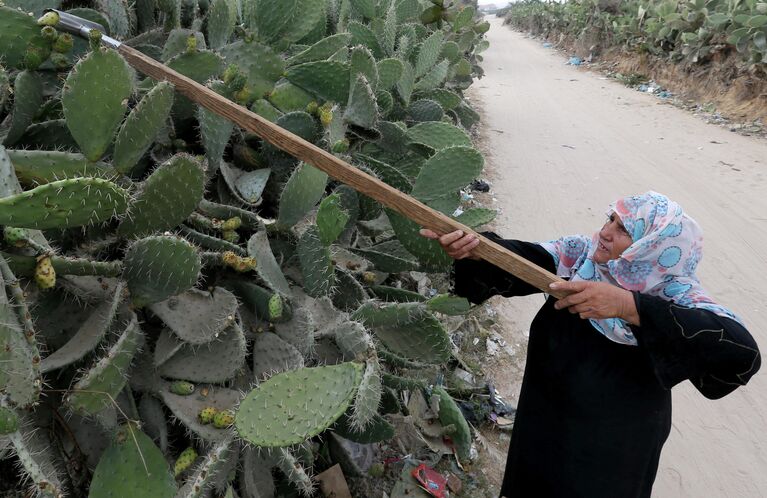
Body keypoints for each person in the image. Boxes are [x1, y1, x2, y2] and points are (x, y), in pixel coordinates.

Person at [419, 191, 760, 498]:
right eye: (610, 218)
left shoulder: (676, 296)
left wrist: (629, 306)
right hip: (543, 420)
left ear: (653, 247)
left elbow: (740, 352)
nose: (606, 232)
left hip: (611, 450)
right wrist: (477, 251)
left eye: (624, 229)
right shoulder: (579, 260)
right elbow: (523, 258)